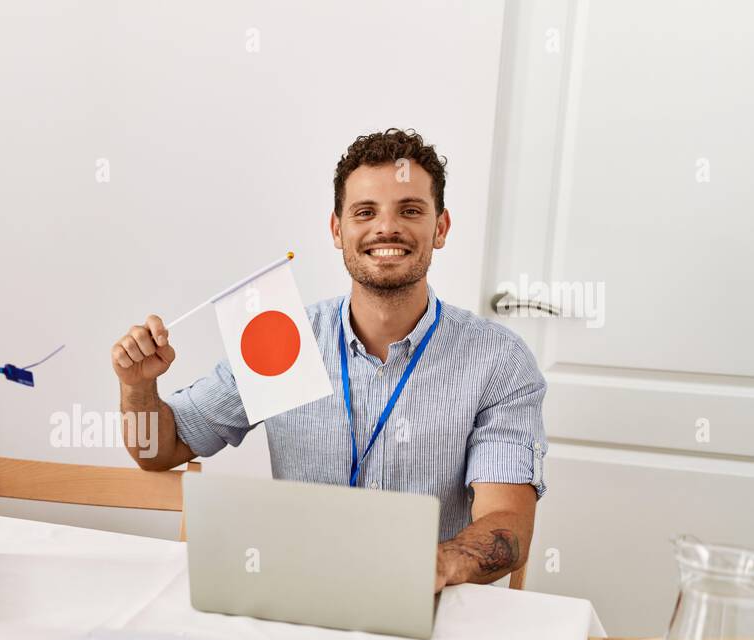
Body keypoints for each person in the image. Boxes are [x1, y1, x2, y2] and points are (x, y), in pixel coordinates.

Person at [111, 128, 546, 593]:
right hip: (299, 596)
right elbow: (159, 451)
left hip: (429, 602)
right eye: (365, 212)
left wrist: (438, 565)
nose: (386, 228)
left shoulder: (498, 360)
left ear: (440, 229)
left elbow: (506, 523)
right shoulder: (281, 340)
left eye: (411, 210)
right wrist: (138, 387)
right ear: (337, 230)